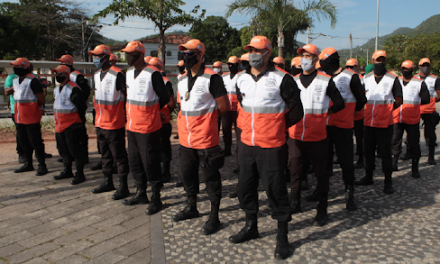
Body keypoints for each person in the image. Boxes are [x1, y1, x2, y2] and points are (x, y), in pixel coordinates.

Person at [229, 36, 303, 260]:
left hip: (272, 146)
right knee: (245, 188)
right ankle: (251, 226)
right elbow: (242, 106)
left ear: (268, 53)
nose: (252, 54)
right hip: (247, 145)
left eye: (257, 50)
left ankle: (282, 237)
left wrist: (276, 127)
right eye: (250, 50)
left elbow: (296, 112)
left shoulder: (283, 79)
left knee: (275, 191)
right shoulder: (241, 78)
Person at [172, 39, 229, 236]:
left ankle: (214, 216)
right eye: (184, 53)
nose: (186, 56)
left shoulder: (212, 78)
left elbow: (224, 107)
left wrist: (207, 122)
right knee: (188, 175)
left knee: (210, 178)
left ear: (201, 56)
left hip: (205, 138)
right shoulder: (180, 79)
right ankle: (191, 206)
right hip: (186, 140)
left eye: (190, 53)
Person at [287, 44, 345, 226]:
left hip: (318, 136)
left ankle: (322, 209)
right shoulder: (293, 80)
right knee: (295, 172)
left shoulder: (325, 80)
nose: (304, 59)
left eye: (308, 55)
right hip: (295, 136)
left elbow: (340, 103)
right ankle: (295, 203)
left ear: (316, 59)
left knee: (321, 174)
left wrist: (326, 113)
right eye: (302, 55)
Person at [121, 41, 170, 215]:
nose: (127, 57)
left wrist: (150, 113)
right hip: (132, 126)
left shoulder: (153, 74)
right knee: (134, 161)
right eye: (126, 54)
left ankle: (156, 197)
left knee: (150, 162)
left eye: (131, 54)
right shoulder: (128, 73)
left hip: (148, 127)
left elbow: (164, 98)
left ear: (141, 54)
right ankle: (141, 192)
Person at [318, 48, 366, 211]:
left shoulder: (350, 77)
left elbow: (361, 100)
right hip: (324, 125)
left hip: (343, 126)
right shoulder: (322, 76)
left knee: (346, 163)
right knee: (323, 162)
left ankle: (349, 193)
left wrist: (350, 115)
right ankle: (320, 191)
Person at [354, 50, 403, 194]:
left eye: (383, 60)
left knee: (385, 153)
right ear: (373, 61)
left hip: (385, 123)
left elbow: (398, 100)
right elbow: (361, 97)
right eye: (378, 60)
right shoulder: (366, 78)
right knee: (367, 152)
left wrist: (387, 110)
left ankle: (388, 182)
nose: (380, 62)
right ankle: (368, 176)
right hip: (368, 122)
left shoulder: (393, 79)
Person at [87, 45, 131, 200]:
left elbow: (126, 96)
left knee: (118, 155)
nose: (95, 59)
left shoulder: (118, 74)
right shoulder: (96, 74)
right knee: (104, 154)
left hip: (114, 122)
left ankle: (123, 186)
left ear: (105, 57)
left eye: (97, 56)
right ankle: (107, 182)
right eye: (94, 56)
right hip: (100, 122)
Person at [5, 58, 48, 176]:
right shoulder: (15, 80)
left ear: (25, 67)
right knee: (24, 141)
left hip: (31, 116)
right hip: (19, 116)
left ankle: (42, 165)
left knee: (35, 141)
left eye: (18, 66)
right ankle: (28, 164)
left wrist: (33, 108)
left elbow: (41, 99)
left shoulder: (33, 81)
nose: (15, 68)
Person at [391, 60, 430, 178]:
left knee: (414, 143)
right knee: (394, 141)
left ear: (412, 70)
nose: (405, 71)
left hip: (412, 118)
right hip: (397, 117)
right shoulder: (395, 80)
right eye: (403, 68)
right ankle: (394, 163)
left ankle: (415, 168)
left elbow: (426, 99)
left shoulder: (419, 83)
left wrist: (415, 106)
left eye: (408, 69)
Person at [51, 65, 87, 184]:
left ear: (66, 74)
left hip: (72, 125)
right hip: (59, 125)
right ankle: (67, 170)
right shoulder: (57, 89)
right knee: (63, 150)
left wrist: (79, 122)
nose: (57, 76)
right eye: (56, 74)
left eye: (60, 74)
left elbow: (81, 107)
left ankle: (80, 174)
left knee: (75, 151)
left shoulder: (73, 88)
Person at [57, 55, 91, 164]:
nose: (60, 65)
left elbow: (85, 91)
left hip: (77, 109)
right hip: (67, 112)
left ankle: (83, 157)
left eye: (62, 63)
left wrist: (80, 104)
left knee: (80, 135)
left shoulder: (77, 76)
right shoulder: (61, 74)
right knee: (67, 137)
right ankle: (69, 155)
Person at [149, 57, 176, 183]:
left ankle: (165, 172)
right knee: (159, 148)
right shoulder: (162, 80)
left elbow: (171, 103)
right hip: (156, 120)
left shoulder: (164, 82)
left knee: (163, 148)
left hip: (162, 121)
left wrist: (165, 114)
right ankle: (161, 172)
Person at [415, 58, 440, 165]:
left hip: (429, 110)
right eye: (423, 65)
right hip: (415, 109)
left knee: (430, 134)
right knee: (412, 133)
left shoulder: (435, 78)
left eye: (427, 65)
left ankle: (431, 156)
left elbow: (439, 94)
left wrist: (432, 100)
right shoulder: (414, 78)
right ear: (419, 66)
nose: (425, 67)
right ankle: (408, 153)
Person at [5, 72, 24, 163]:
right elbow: (6, 91)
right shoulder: (12, 77)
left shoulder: (33, 77)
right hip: (16, 110)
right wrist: (18, 85)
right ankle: (21, 153)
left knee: (33, 132)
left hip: (31, 110)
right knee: (21, 132)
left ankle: (37, 152)